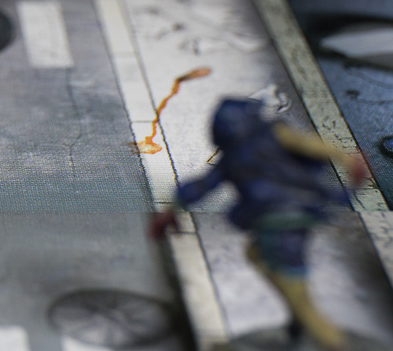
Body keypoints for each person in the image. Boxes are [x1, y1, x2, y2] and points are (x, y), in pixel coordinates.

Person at [150, 98, 369, 351]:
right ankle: (297, 325)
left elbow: (199, 187)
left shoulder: (234, 158)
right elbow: (309, 144)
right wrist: (349, 159)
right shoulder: (272, 135)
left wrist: (170, 211)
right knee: (256, 254)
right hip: (295, 216)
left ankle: (330, 341)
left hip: (278, 223)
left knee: (298, 296)